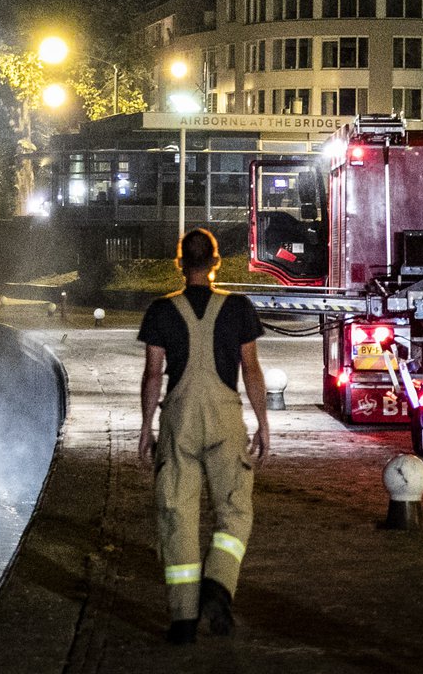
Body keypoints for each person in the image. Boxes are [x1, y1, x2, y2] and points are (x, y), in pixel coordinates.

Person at [137, 228, 270, 645]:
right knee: (235, 509)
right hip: (226, 419)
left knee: (177, 512)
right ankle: (218, 584)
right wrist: (264, 423)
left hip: (178, 420)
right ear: (215, 263)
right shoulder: (239, 309)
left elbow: (154, 374)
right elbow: (251, 369)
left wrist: (146, 427)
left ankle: (182, 619)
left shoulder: (160, 311)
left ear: (180, 263)